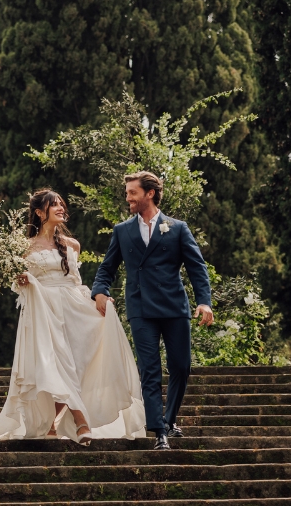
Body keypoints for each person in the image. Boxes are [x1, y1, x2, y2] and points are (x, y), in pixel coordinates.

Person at [0, 188, 146, 443]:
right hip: (45, 310)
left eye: (62, 204)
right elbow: (19, 286)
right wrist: (23, 280)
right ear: (40, 212)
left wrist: (98, 298)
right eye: (55, 205)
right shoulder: (24, 248)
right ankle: (81, 422)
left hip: (74, 307)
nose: (62, 208)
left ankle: (53, 424)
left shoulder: (72, 245)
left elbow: (76, 281)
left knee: (79, 363)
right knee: (61, 362)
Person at [90, 171, 214, 450]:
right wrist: (99, 291)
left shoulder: (178, 228)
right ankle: (158, 430)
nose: (127, 198)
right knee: (149, 369)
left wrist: (203, 301)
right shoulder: (122, 230)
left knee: (181, 366)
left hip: (174, 306)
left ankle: (169, 420)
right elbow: (107, 268)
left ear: (150, 193)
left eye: (132, 192)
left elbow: (197, 267)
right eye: (127, 193)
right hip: (141, 308)